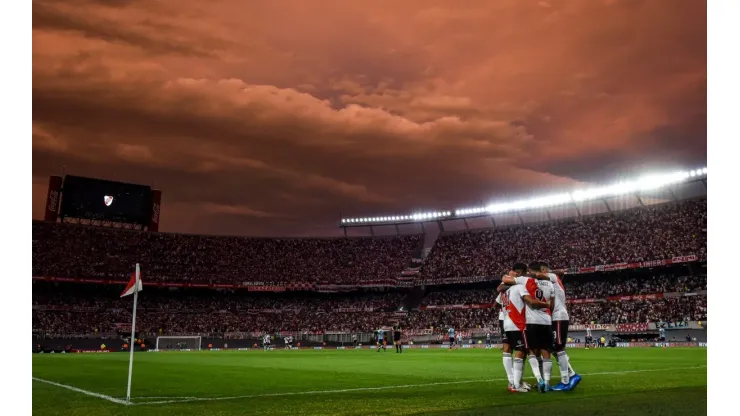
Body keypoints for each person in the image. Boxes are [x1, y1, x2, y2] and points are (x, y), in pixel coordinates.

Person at [500, 275, 551, 393]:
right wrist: (547, 304)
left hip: (507, 323)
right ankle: (518, 385)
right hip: (518, 324)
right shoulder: (519, 287)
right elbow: (531, 301)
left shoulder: (504, 291)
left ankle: (516, 382)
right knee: (522, 352)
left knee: (526, 351)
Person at [537, 262, 580, 391]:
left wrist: (524, 276)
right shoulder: (554, 279)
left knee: (559, 347)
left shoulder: (552, 277)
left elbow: (539, 274)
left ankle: (566, 381)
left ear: (544, 270)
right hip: (556, 317)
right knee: (553, 348)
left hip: (559, 317)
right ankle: (571, 375)